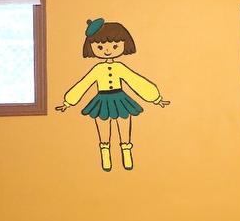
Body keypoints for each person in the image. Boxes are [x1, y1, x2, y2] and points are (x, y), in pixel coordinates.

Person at [57, 18, 170, 172]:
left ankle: (126, 152)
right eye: (100, 47)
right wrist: (68, 102)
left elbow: (135, 81)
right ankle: (105, 154)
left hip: (120, 99)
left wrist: (155, 98)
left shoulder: (120, 67)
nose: (107, 50)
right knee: (103, 129)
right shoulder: (97, 69)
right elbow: (84, 84)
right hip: (101, 101)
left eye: (115, 46)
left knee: (124, 126)